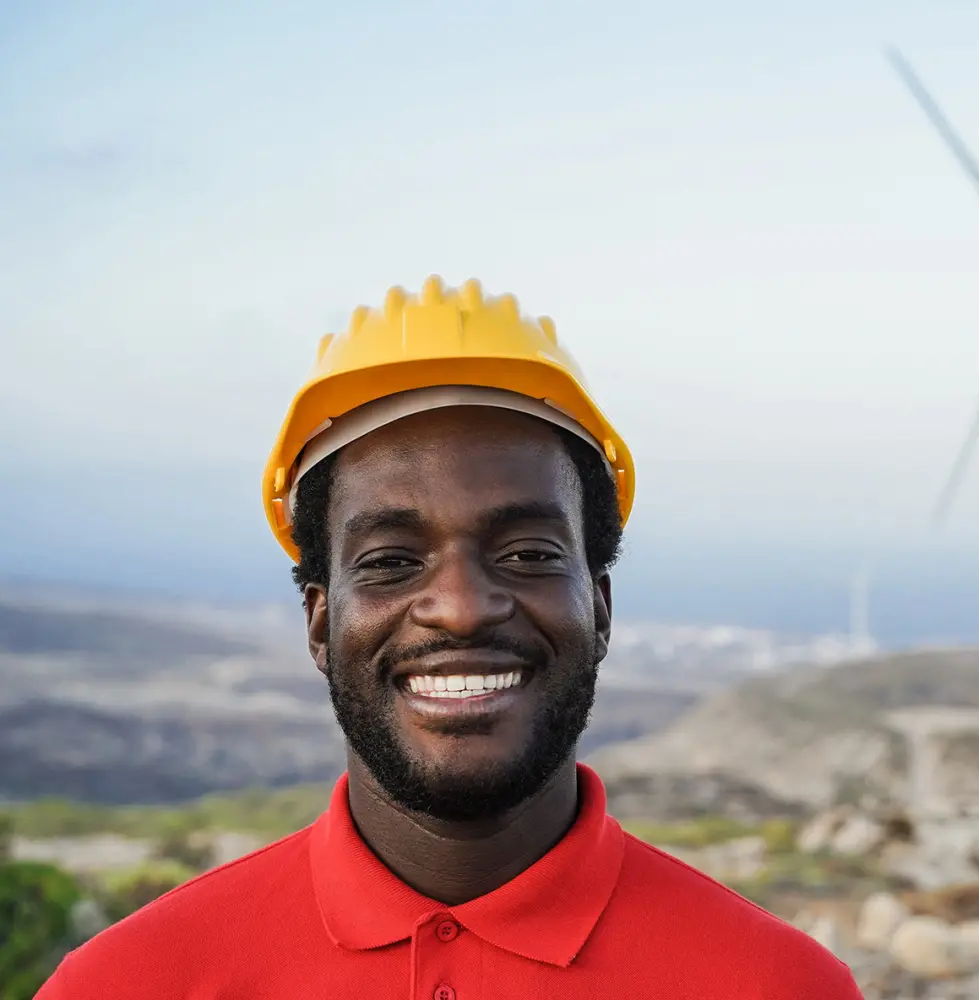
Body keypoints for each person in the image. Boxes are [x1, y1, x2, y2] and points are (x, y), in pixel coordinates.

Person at [38, 277, 864, 999]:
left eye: (529, 553)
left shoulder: (777, 985)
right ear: (321, 623)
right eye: (392, 561)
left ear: (601, 608)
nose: (463, 608)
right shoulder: (126, 983)